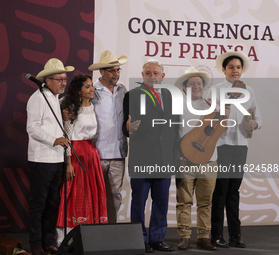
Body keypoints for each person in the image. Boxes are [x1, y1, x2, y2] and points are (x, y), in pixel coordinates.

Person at [123, 59, 178, 253]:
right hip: (143, 157)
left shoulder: (171, 96)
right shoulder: (133, 95)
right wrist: (129, 128)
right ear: (143, 75)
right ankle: (139, 239)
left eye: (156, 73)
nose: (152, 76)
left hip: (165, 158)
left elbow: (176, 127)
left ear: (162, 76)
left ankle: (157, 238)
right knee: (139, 202)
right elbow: (126, 125)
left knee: (161, 202)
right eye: (148, 73)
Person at [209, 51, 262, 248]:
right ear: (223, 69)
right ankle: (216, 235)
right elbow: (209, 119)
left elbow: (259, 118)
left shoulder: (250, 91)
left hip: (241, 146)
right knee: (221, 190)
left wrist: (254, 125)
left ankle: (235, 235)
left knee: (234, 190)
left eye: (238, 67)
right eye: (231, 67)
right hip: (222, 145)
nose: (235, 70)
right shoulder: (215, 90)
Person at [174, 67, 229, 251]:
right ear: (184, 87)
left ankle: (204, 237)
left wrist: (222, 114)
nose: (196, 86)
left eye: (199, 83)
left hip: (209, 160)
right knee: (184, 201)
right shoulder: (178, 104)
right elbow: (172, 133)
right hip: (185, 159)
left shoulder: (212, 105)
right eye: (192, 83)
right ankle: (184, 236)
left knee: (206, 202)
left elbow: (221, 132)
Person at [26, 58, 74, 255]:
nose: (63, 82)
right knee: (39, 203)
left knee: (53, 202)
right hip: (41, 159)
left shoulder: (55, 98)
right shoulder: (37, 98)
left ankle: (49, 241)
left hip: (57, 159)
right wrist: (54, 140)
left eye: (65, 78)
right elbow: (32, 128)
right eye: (59, 79)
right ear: (47, 80)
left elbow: (57, 127)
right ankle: (36, 243)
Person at [56, 75, 108, 243]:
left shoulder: (93, 107)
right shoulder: (71, 108)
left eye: (92, 86)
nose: (91, 89)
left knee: (91, 194)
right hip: (76, 155)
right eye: (87, 87)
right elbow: (67, 136)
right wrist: (69, 163)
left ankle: (90, 236)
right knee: (74, 194)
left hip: (91, 156)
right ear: (79, 90)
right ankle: (66, 237)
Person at [87, 50, 128, 223]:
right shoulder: (91, 90)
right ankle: (92, 230)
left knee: (115, 195)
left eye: (118, 70)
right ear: (101, 72)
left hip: (118, 153)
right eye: (112, 71)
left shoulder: (122, 90)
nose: (116, 74)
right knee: (93, 194)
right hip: (96, 152)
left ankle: (110, 229)